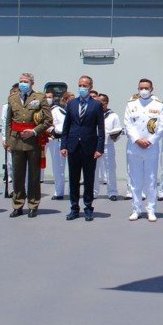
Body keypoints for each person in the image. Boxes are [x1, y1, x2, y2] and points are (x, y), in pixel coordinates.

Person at [5, 73, 52, 218]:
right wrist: (8, 140)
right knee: (17, 175)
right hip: (16, 140)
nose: (22, 84)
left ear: (32, 83)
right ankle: (18, 205)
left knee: (33, 175)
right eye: (21, 81)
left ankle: (33, 204)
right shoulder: (12, 98)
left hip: (33, 142)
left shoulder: (39, 98)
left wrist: (34, 132)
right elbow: (8, 122)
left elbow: (47, 120)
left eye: (25, 81)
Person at [60, 76, 105, 221]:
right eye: (80, 85)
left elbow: (101, 129)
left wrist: (99, 148)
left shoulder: (96, 105)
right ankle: (74, 208)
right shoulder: (71, 104)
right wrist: (63, 145)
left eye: (85, 85)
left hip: (89, 147)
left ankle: (88, 207)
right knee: (73, 179)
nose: (82, 87)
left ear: (90, 86)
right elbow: (66, 126)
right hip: (73, 146)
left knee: (89, 179)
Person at [124, 78, 163, 221]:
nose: (143, 91)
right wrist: (137, 139)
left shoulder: (159, 105)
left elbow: (162, 127)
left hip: (151, 148)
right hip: (135, 147)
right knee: (135, 181)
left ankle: (151, 210)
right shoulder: (131, 105)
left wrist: (151, 141)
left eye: (146, 88)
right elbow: (128, 124)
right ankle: (136, 209)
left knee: (151, 180)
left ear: (152, 89)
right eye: (141, 88)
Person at [96, 93, 123, 201]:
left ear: (106, 103)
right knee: (94, 170)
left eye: (100, 102)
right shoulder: (94, 114)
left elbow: (118, 129)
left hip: (108, 145)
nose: (98, 104)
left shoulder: (113, 115)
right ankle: (94, 192)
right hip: (95, 145)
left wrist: (114, 134)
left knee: (110, 169)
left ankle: (112, 192)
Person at [48, 91, 69, 200]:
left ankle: (65, 191)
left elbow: (63, 125)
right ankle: (59, 191)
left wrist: (53, 130)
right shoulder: (45, 110)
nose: (47, 99)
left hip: (61, 140)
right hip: (53, 141)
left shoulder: (56, 110)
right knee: (56, 167)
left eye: (49, 97)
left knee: (63, 167)